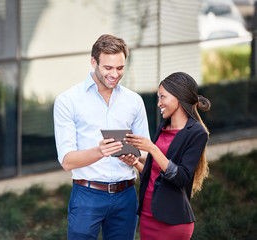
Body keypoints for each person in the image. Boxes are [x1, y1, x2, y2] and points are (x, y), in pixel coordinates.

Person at [53, 34, 150, 240]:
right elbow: (67, 160)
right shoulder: (68, 101)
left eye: (120, 68)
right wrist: (99, 151)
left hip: (126, 195)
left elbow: (146, 153)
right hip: (87, 196)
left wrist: (134, 157)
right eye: (108, 68)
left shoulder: (134, 101)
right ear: (93, 62)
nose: (114, 74)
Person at [120, 72, 211, 240]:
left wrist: (152, 149)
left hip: (172, 221)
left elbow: (181, 177)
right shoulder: (163, 127)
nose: (159, 103)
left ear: (179, 96)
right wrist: (135, 162)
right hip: (148, 215)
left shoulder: (197, 133)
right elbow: (156, 173)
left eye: (163, 97)